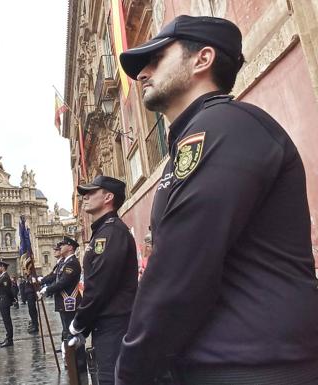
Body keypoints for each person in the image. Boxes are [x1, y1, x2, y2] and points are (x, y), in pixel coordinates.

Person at [115, 15, 318, 385]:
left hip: (252, 368)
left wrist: (131, 370)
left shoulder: (224, 128)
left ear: (202, 59)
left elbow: (180, 267)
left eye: (157, 59)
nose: (143, 73)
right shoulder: (201, 135)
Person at [69, 176, 138, 385]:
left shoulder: (110, 232)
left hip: (115, 325)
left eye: (91, 192)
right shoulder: (102, 231)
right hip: (105, 323)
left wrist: (79, 324)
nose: (85, 198)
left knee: (112, 378)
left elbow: (99, 286)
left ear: (108, 197)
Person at [39, 237, 87, 380]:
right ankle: (72, 363)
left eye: (64, 245)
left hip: (70, 303)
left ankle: (79, 365)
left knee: (73, 333)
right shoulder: (64, 263)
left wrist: (47, 290)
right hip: (65, 304)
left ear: (71, 247)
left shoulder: (72, 263)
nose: (61, 247)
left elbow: (63, 282)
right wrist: (42, 281)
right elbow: (55, 277)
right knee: (67, 332)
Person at [0, 260, 15, 347]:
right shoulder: (1, 277)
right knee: (5, 321)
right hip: (2, 300)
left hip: (4, 301)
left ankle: (10, 339)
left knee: (7, 321)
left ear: (3, 267)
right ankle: (8, 337)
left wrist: (12, 299)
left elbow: (8, 290)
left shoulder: (5, 277)